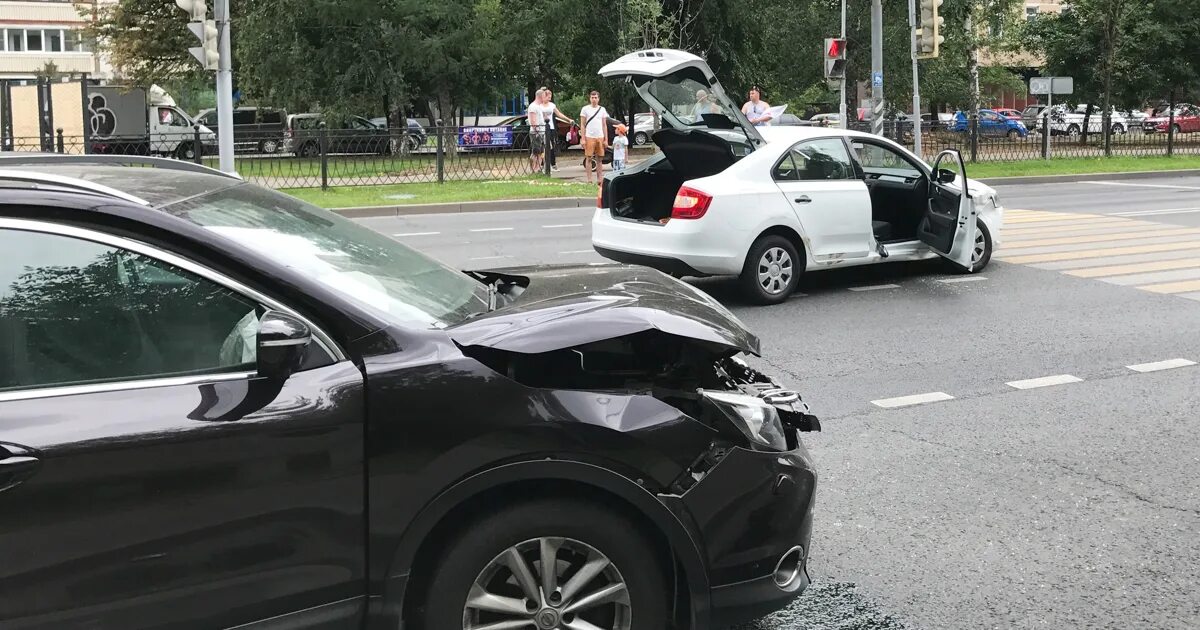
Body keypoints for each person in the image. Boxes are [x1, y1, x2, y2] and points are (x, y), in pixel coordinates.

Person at [539, 86, 573, 171]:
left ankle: (552, 164)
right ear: (544, 96)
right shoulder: (539, 106)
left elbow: (559, 114)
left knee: (551, 146)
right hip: (542, 128)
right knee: (543, 146)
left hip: (551, 128)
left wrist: (568, 120)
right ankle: (543, 165)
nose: (549, 98)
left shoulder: (552, 105)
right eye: (548, 96)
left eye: (550, 96)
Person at [579, 90, 609, 185]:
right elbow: (582, 125)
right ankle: (589, 180)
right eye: (592, 97)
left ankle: (599, 179)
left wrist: (606, 139)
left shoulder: (602, 109)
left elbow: (604, 125)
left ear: (598, 99)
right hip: (589, 136)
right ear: (590, 98)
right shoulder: (585, 109)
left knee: (599, 159)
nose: (594, 99)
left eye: (596, 97)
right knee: (589, 158)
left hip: (600, 136)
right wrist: (583, 138)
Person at [527, 89, 548, 172]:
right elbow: (533, 121)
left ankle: (538, 169)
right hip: (536, 133)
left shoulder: (539, 106)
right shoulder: (533, 106)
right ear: (540, 96)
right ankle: (533, 169)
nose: (545, 98)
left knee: (540, 152)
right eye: (544, 96)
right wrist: (537, 131)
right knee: (535, 152)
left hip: (541, 132)